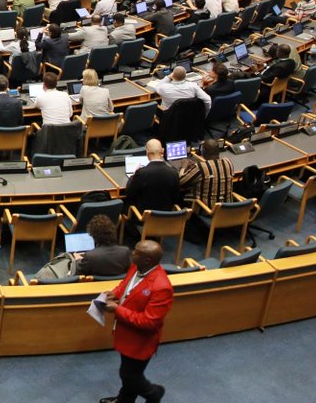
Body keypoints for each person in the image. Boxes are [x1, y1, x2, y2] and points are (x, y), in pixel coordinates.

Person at [99, 240, 174, 403]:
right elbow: (125, 286)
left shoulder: (161, 287)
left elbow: (149, 322)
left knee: (129, 375)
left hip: (140, 341)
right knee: (129, 374)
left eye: (136, 252)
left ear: (147, 260)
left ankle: (154, 394)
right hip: (126, 332)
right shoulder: (137, 267)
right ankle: (124, 400)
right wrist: (114, 294)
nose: (132, 253)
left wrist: (117, 309)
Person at [124, 139, 182, 217]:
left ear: (147, 152)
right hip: (166, 219)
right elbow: (176, 198)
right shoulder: (174, 173)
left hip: (143, 219)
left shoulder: (141, 173)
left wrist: (134, 175)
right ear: (163, 151)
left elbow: (129, 192)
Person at [178, 138, 234, 207]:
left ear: (203, 152)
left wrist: (184, 167)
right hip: (227, 208)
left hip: (207, 210)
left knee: (179, 195)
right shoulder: (228, 162)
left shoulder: (201, 167)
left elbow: (181, 182)